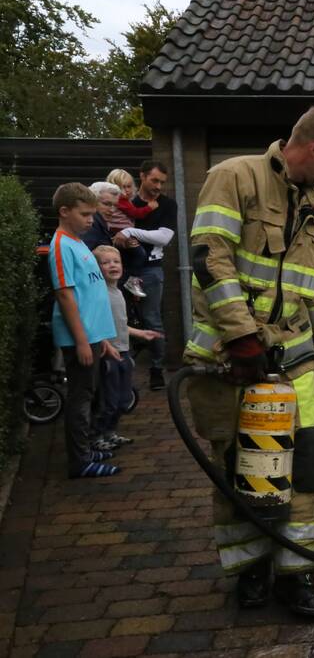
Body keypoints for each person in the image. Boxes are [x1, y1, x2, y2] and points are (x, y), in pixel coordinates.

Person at [184, 105, 314, 618]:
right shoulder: (235, 177)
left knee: (306, 471)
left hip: (294, 362)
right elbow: (209, 257)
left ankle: (297, 573)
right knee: (242, 470)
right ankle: (252, 570)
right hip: (233, 364)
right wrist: (241, 337)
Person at [48, 183, 121, 478]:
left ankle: (86, 450)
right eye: (85, 214)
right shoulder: (61, 246)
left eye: (93, 214)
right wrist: (81, 340)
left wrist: (100, 338)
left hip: (91, 337)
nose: (91, 220)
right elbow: (65, 295)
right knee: (80, 398)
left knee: (89, 394)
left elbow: (88, 293)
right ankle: (79, 462)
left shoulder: (77, 242)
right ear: (65, 211)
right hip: (79, 339)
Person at [91, 246, 162, 450]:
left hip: (123, 351)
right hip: (108, 353)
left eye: (116, 261)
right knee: (108, 400)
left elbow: (120, 324)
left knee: (124, 399)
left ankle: (111, 432)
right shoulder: (99, 294)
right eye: (105, 263)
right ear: (96, 268)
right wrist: (105, 344)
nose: (112, 265)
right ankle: (97, 437)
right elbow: (94, 323)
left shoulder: (118, 292)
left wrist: (141, 333)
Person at [129, 161, 177, 390]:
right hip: (122, 270)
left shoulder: (167, 205)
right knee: (120, 318)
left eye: (162, 182)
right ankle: (122, 369)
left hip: (150, 270)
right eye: (154, 180)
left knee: (152, 318)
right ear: (142, 176)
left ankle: (157, 369)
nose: (158, 186)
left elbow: (164, 238)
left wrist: (130, 232)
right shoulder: (128, 202)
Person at [83, 182, 147, 297]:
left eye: (115, 206)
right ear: (92, 202)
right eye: (107, 204)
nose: (112, 210)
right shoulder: (91, 224)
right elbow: (86, 256)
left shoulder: (100, 223)